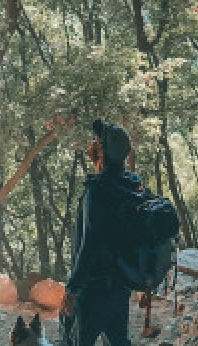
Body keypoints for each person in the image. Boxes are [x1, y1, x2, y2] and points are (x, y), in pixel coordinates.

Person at [60, 119, 143, 346]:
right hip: (121, 286)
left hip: (94, 289)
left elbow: (90, 243)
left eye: (97, 142)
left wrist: (73, 288)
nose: (92, 145)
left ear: (103, 152)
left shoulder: (96, 192)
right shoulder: (132, 186)